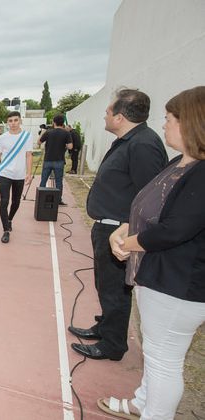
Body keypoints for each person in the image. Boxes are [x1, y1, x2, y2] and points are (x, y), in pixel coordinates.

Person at [96, 86, 205, 420]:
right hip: (157, 277)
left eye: (170, 118)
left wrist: (127, 243)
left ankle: (155, 413)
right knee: (154, 351)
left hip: (176, 283)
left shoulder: (200, 173)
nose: (165, 124)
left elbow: (175, 228)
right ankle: (143, 402)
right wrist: (125, 227)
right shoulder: (179, 164)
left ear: (192, 124)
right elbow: (148, 205)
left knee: (164, 361)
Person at [68, 89, 168, 362]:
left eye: (109, 111)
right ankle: (105, 327)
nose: (105, 114)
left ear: (121, 117)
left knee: (115, 288)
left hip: (119, 230)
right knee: (105, 284)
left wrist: (127, 228)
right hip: (108, 226)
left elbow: (150, 194)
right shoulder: (128, 141)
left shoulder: (143, 145)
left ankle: (112, 344)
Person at [0, 111, 33, 244]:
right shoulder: (3, 137)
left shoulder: (27, 136)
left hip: (19, 174)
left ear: (20, 121)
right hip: (5, 173)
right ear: (7, 123)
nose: (13, 123)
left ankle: (9, 219)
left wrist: (29, 173)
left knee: (16, 202)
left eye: (15, 120)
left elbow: (29, 155)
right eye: (10, 121)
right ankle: (6, 230)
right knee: (4, 201)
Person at [39, 114, 73, 206]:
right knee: (59, 181)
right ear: (63, 123)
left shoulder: (49, 132)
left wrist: (43, 132)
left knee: (43, 180)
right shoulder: (66, 133)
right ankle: (58, 200)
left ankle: (41, 198)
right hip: (59, 160)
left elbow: (39, 142)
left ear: (54, 122)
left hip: (48, 159)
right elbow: (70, 146)